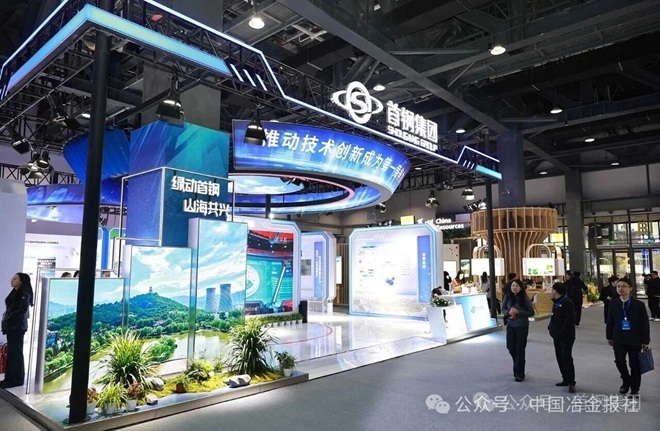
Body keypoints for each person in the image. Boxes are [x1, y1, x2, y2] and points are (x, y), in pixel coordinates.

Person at [606, 277, 650, 396]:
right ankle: (626, 381)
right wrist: (609, 336)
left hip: (635, 339)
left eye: (624, 286)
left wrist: (645, 340)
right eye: (618, 286)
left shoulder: (638, 305)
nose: (621, 288)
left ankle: (635, 388)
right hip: (618, 338)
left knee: (634, 364)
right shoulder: (613, 303)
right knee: (619, 362)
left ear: (630, 288)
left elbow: (644, 323)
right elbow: (610, 321)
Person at [1, 273, 34, 389]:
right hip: (11, 327)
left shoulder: (24, 293)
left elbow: (22, 310)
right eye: (12, 278)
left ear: (21, 281)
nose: (12, 280)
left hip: (17, 327)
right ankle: (9, 378)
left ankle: (16, 379)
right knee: (12, 353)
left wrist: (9, 317)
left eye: (15, 279)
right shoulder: (15, 292)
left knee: (16, 353)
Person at [502, 279, 534, 382]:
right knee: (511, 347)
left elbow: (531, 312)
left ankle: (519, 373)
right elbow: (503, 309)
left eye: (516, 286)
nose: (514, 288)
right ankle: (518, 362)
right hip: (510, 325)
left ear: (520, 287)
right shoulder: (507, 297)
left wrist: (518, 312)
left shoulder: (524, 298)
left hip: (522, 326)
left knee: (520, 349)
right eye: (513, 286)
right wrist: (508, 312)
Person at [547, 282, 576, 393]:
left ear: (556, 291)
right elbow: (554, 317)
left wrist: (561, 333)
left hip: (566, 336)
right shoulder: (556, 302)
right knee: (559, 357)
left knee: (566, 357)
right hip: (557, 335)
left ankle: (571, 382)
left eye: (552, 289)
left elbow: (569, 320)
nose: (551, 291)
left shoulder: (567, 302)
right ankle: (565, 378)